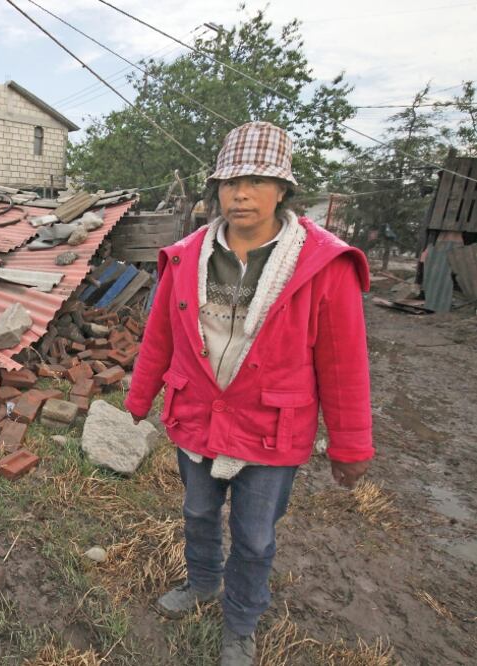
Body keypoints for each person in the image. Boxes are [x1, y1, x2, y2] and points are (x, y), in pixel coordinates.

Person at [124, 121, 373, 665]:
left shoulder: (322, 265)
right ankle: (202, 582)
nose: (241, 194)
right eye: (231, 182)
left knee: (256, 536)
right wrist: (139, 398)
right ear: (216, 188)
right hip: (196, 416)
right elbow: (160, 336)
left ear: (282, 189)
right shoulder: (187, 256)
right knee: (197, 512)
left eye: (257, 181)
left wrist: (350, 444)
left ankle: (240, 621)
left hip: (270, 428)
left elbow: (343, 363)